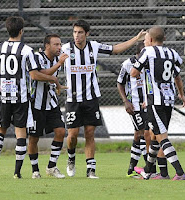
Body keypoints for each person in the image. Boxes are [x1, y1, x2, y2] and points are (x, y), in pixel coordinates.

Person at [62, 19, 146, 178]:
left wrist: (136, 39)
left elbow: (115, 49)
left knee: (89, 133)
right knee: (72, 135)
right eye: (74, 32)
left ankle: (90, 169)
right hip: (72, 99)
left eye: (80, 32)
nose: (76, 36)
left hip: (91, 98)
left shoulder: (94, 46)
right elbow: (50, 55)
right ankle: (71, 158)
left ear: (87, 33)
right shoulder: (66, 48)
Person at [0, 16, 62, 179]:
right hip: (20, 98)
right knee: (21, 133)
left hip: (3, 96)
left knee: (0, 130)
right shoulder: (27, 50)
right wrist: (54, 78)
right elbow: (34, 75)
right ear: (21, 31)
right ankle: (17, 172)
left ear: (7, 29)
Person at [130, 26, 185, 180]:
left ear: (149, 40)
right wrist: (181, 94)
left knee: (161, 137)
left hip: (155, 101)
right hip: (169, 100)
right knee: (155, 137)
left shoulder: (147, 52)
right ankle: (151, 172)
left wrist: (146, 70)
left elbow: (133, 73)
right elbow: (177, 75)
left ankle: (180, 172)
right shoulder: (172, 53)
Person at [117, 42, 169, 179]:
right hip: (134, 105)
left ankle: (132, 168)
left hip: (149, 104)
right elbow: (120, 83)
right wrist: (126, 101)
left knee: (141, 134)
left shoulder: (151, 63)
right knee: (144, 133)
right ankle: (149, 168)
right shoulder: (128, 64)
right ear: (138, 54)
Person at [27, 34, 69, 179]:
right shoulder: (37, 57)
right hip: (36, 104)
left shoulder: (58, 59)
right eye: (56, 44)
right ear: (47, 46)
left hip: (51, 103)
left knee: (61, 131)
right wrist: (56, 72)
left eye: (60, 44)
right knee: (34, 137)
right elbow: (38, 75)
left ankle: (51, 166)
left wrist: (57, 84)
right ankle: (35, 170)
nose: (59, 47)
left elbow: (50, 77)